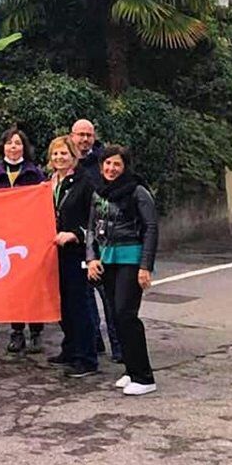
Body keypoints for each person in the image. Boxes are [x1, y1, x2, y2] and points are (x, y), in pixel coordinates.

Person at [86, 145, 159, 396]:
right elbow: (91, 229)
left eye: (116, 164)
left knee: (126, 314)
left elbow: (151, 228)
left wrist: (145, 266)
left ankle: (145, 377)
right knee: (116, 318)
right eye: (107, 164)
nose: (111, 168)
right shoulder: (99, 193)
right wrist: (91, 258)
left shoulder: (138, 192)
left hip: (131, 258)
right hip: (108, 259)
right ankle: (130, 370)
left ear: (125, 166)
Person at [0, 127, 48, 353]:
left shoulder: (35, 173)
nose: (13, 147)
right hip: (4, 239)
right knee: (14, 288)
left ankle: (36, 332)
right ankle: (17, 331)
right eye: (10, 143)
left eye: (18, 143)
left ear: (24, 147)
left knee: (33, 287)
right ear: (3, 147)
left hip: (29, 238)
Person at [44, 135, 99, 378]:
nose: (59, 158)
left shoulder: (85, 182)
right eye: (55, 154)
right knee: (62, 303)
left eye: (63, 154)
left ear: (73, 155)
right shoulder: (50, 182)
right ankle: (70, 348)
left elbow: (95, 218)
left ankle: (87, 358)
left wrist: (75, 234)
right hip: (54, 251)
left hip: (76, 251)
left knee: (80, 304)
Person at [72, 118, 122, 363]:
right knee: (86, 297)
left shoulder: (103, 162)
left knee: (109, 295)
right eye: (80, 135)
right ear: (72, 137)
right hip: (76, 240)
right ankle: (94, 341)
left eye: (88, 135)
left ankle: (119, 346)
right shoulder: (67, 164)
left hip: (102, 239)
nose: (84, 139)